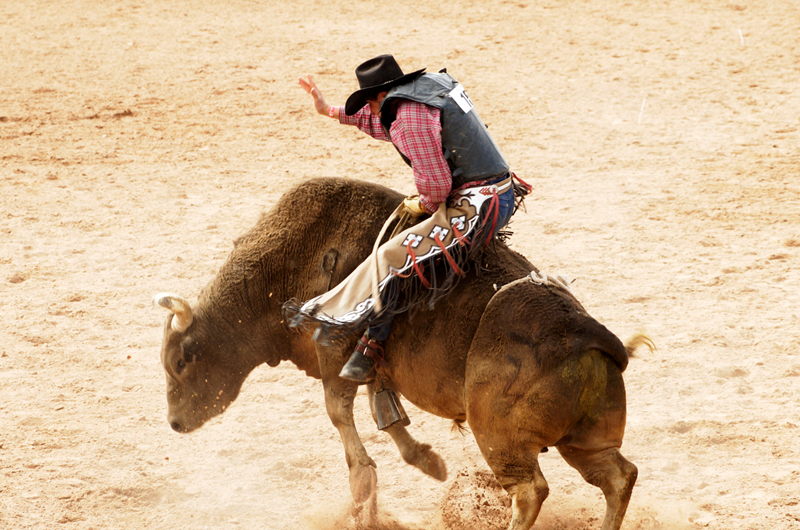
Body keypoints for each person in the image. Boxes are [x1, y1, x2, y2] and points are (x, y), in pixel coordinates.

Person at [294, 54, 528, 383]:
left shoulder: (407, 119)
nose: (372, 111)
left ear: (379, 97)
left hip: (478, 204)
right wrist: (328, 109)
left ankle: (372, 343)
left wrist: (425, 205)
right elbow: (375, 121)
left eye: (369, 102)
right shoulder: (426, 89)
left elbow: (436, 186)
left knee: (395, 254)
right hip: (497, 190)